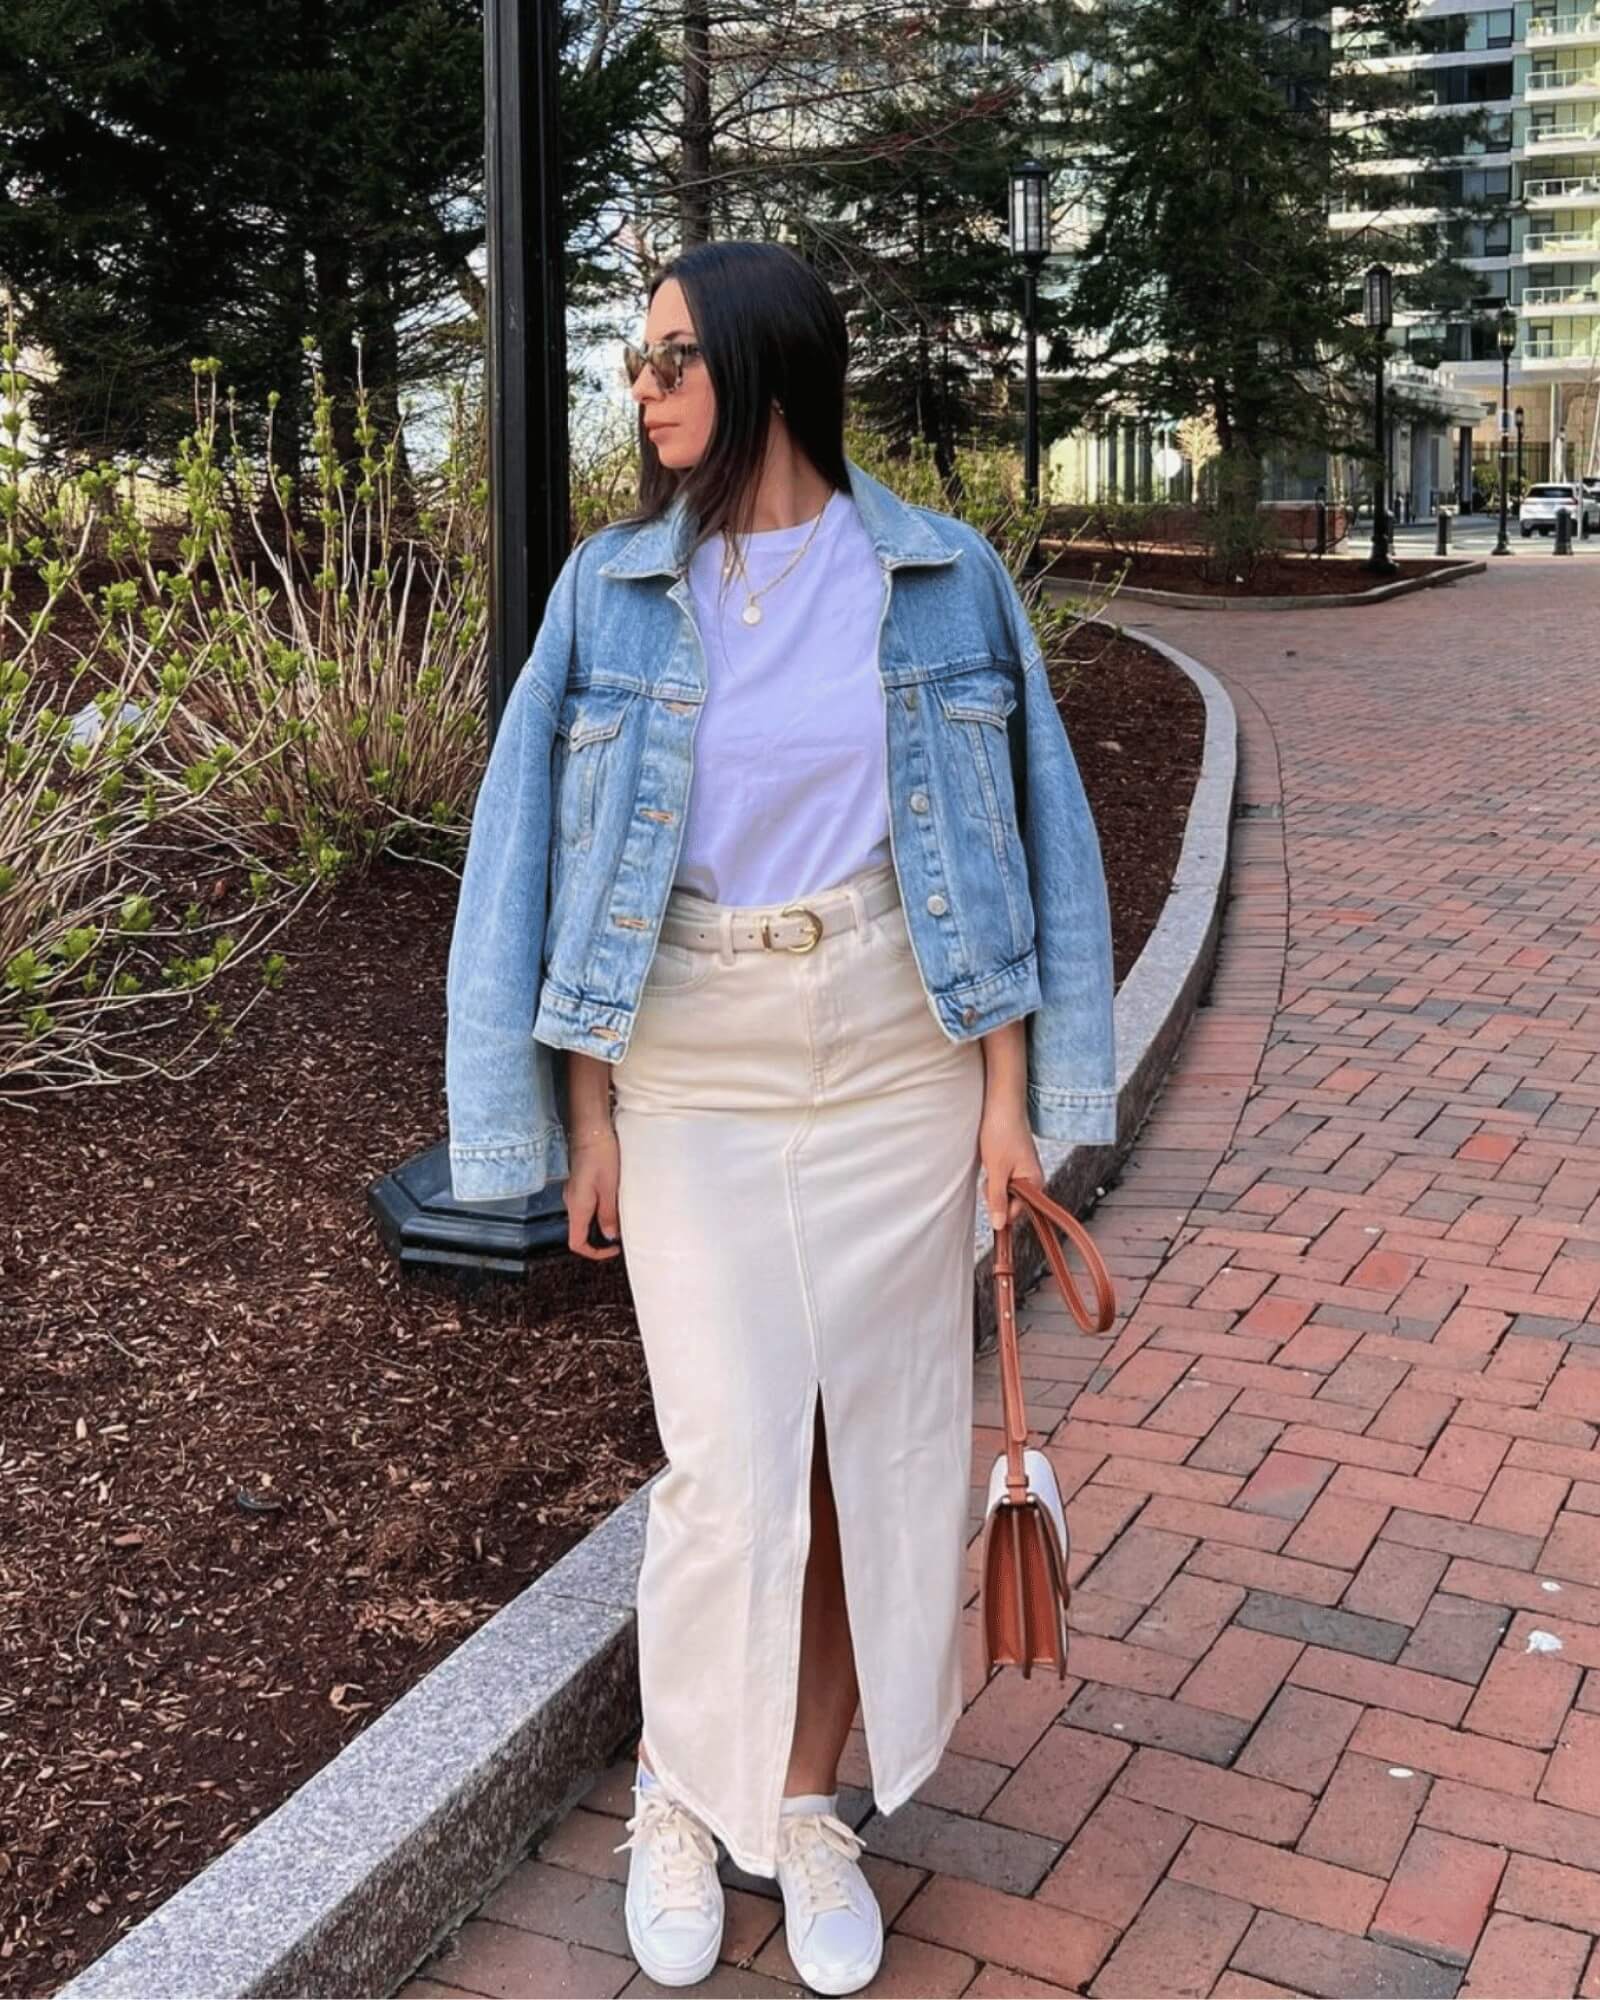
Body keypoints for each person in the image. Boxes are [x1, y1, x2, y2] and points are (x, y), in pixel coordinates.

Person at [443, 238, 1116, 1996]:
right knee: (732, 1464)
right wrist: (575, 1120)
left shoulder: (942, 578)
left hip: (900, 1046)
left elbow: (1031, 856)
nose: (644, 388)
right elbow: (544, 872)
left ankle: (807, 1801)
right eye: (637, 361)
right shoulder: (611, 596)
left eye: (670, 356)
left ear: (759, 362)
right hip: (698, 1057)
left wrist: (1012, 1108)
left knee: (871, 1461)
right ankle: (681, 1787)